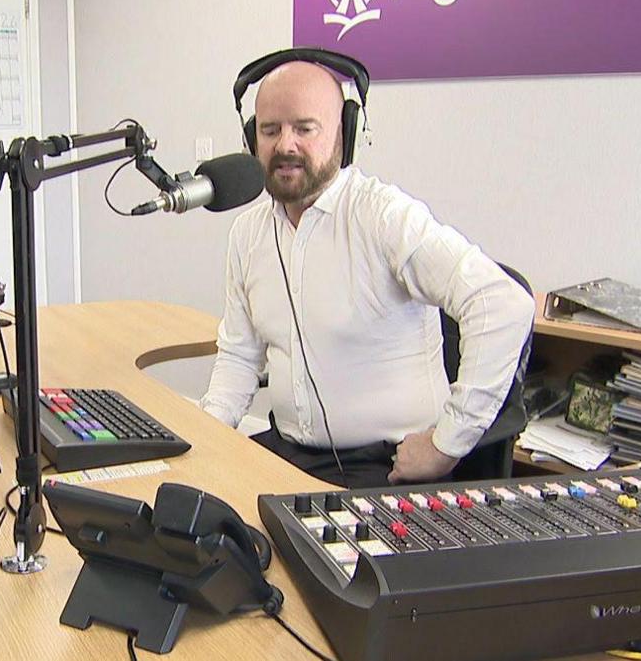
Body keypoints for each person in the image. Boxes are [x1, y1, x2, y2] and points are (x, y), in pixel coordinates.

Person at [198, 49, 535, 488]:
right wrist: (205, 439)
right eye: (270, 130)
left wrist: (445, 445)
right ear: (251, 140)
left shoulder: (385, 218)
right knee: (189, 529)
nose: (285, 146)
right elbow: (241, 356)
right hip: (288, 454)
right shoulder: (248, 234)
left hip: (383, 469)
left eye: (304, 128)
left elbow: (502, 303)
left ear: (346, 133)